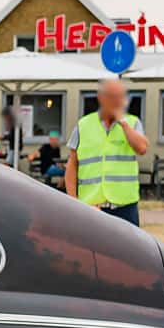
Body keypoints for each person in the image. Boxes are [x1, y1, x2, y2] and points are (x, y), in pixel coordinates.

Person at [65, 76, 149, 226]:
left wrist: (122, 122)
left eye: (120, 96)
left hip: (125, 206)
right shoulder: (83, 125)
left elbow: (142, 148)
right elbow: (72, 165)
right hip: (91, 206)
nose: (116, 101)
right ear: (101, 98)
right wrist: (74, 201)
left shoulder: (132, 122)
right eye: (112, 96)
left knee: (127, 249)